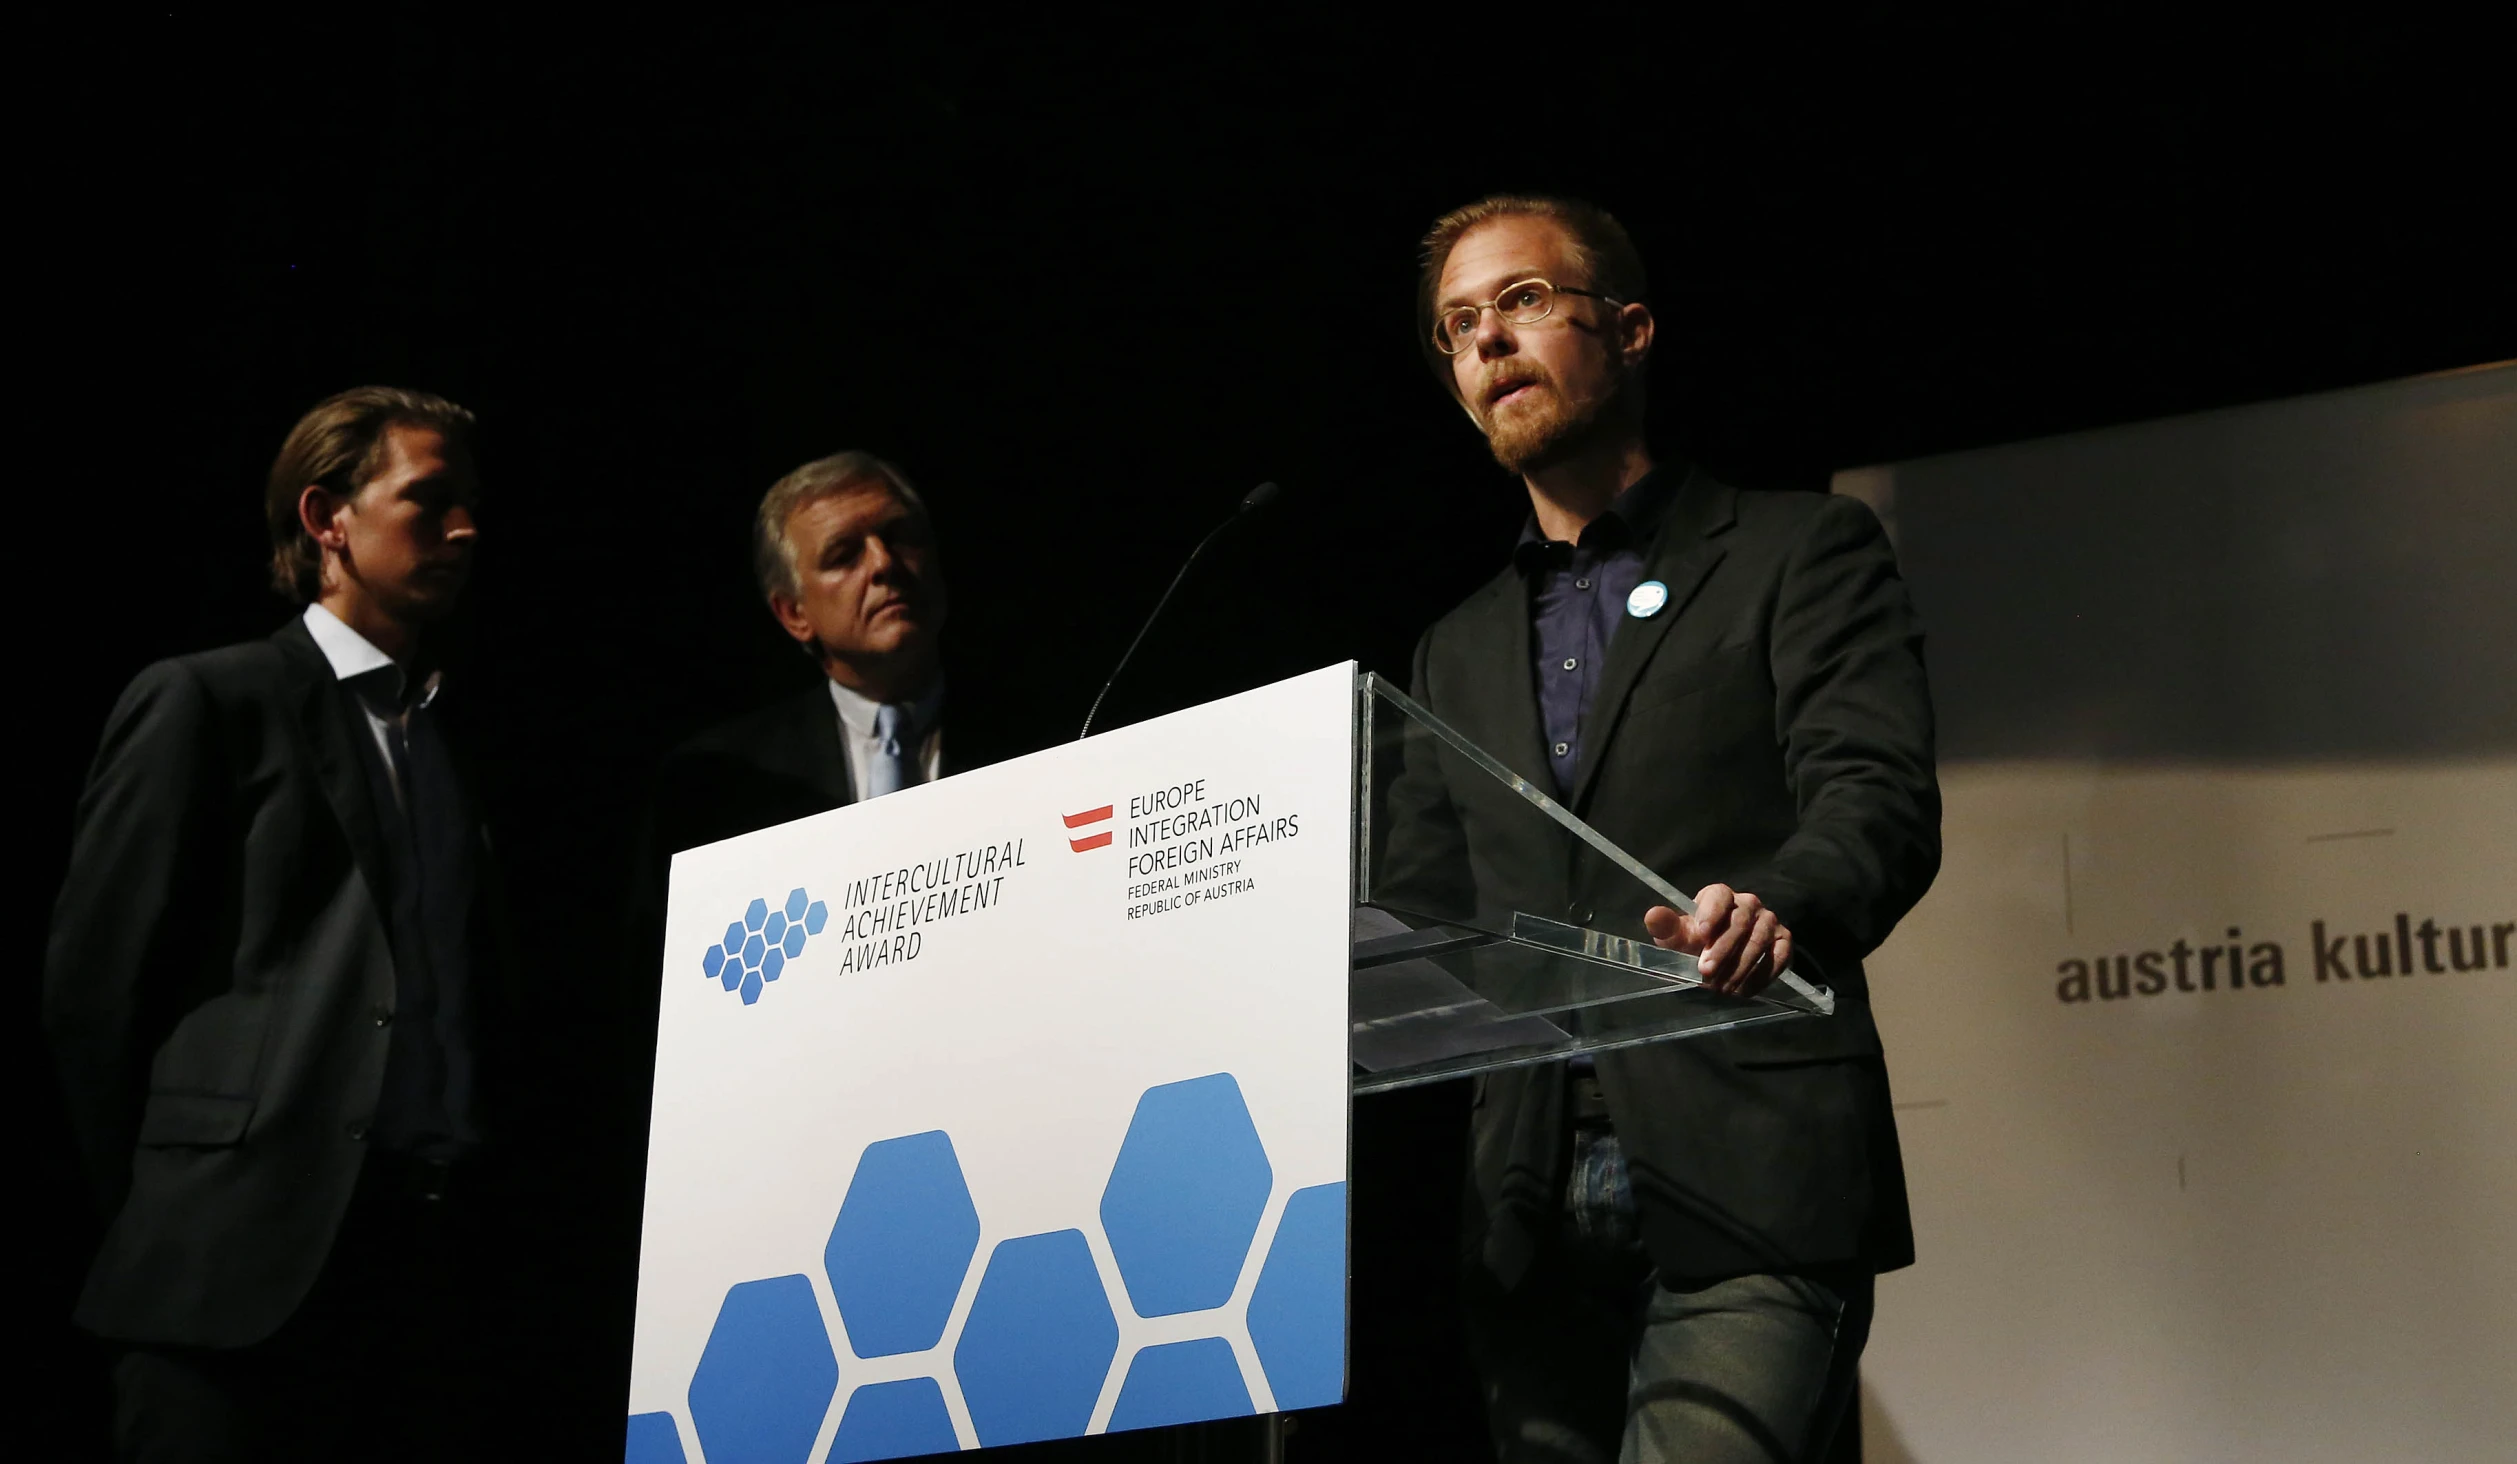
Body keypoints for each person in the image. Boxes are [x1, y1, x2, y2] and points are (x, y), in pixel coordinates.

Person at [1385, 194, 1941, 1463]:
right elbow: (1425, 909)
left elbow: (1877, 798)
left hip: (1750, 1163)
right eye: (1457, 325)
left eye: (1522, 301)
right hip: (1521, 1204)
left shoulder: (1800, 549)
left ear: (1630, 330)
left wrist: (1780, 903)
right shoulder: (1453, 646)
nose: (1486, 343)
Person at [44, 386, 510, 1461]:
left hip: (425, 1284)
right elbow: (92, 994)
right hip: (230, 1280)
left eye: (471, 503)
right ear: (325, 519)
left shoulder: (455, 740)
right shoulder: (209, 700)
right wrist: (180, 1199)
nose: (465, 528)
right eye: (428, 499)